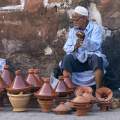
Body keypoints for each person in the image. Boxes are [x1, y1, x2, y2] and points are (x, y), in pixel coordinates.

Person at [53, 6, 108, 90]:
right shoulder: (73, 31)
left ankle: (98, 90)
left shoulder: (95, 28)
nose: (74, 22)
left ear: (85, 18)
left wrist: (84, 39)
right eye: (73, 20)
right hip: (77, 61)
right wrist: (75, 46)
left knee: (97, 59)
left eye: (76, 19)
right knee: (67, 59)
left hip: (90, 61)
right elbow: (66, 47)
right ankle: (69, 89)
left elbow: (96, 46)